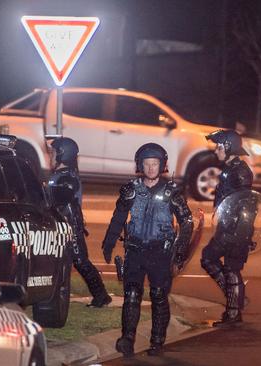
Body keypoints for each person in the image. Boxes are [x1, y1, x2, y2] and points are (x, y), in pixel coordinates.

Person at [101, 143, 193, 357]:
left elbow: (186, 221)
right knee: (132, 295)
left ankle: (157, 340)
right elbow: (119, 217)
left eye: (155, 163)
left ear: (162, 165)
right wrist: (109, 242)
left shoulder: (172, 192)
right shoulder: (131, 190)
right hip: (135, 251)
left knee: (159, 295)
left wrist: (180, 250)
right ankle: (128, 338)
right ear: (140, 165)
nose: (151, 168)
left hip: (161, 253)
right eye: (147, 163)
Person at [47, 137, 111, 308]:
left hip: (71, 226)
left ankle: (101, 295)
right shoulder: (59, 175)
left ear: (62, 155)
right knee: (60, 261)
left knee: (81, 261)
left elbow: (59, 197)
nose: (50, 156)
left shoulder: (68, 177)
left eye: (53, 153)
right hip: (61, 225)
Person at [201, 129, 255, 327]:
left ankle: (233, 313)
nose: (216, 150)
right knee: (209, 258)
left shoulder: (240, 171)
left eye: (219, 146)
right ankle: (236, 299)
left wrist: (241, 235)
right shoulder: (229, 169)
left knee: (231, 268)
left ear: (228, 147)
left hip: (236, 231)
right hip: (226, 227)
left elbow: (248, 205)